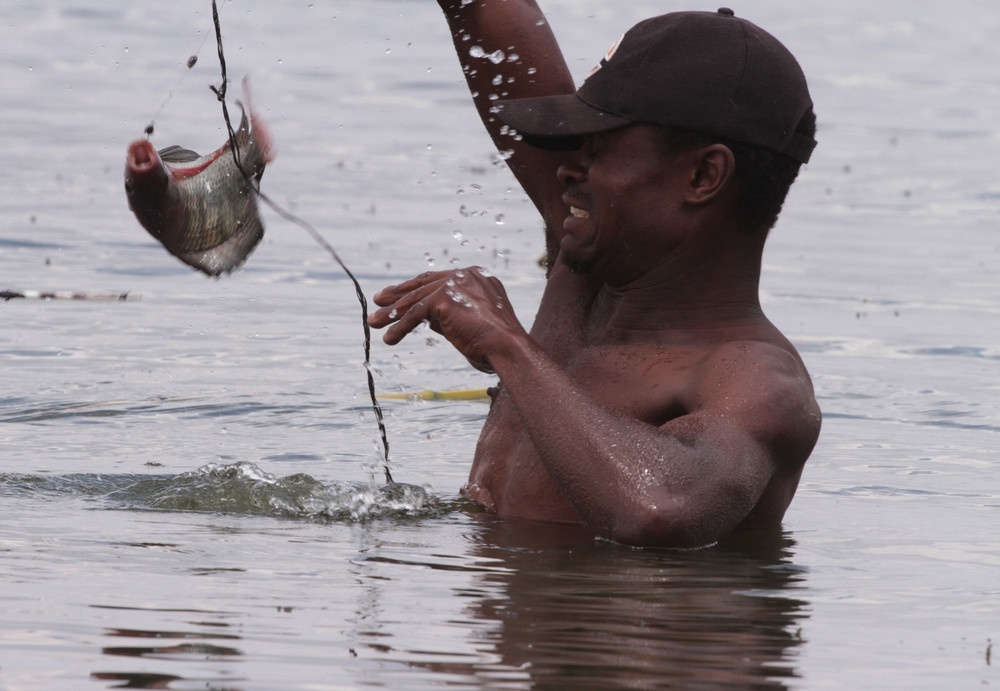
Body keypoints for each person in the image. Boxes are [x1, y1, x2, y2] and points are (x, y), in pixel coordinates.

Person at [368, 3, 821, 548]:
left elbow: (661, 509)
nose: (566, 168)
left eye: (597, 150)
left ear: (703, 175)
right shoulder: (584, 269)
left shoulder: (758, 382)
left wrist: (507, 344)